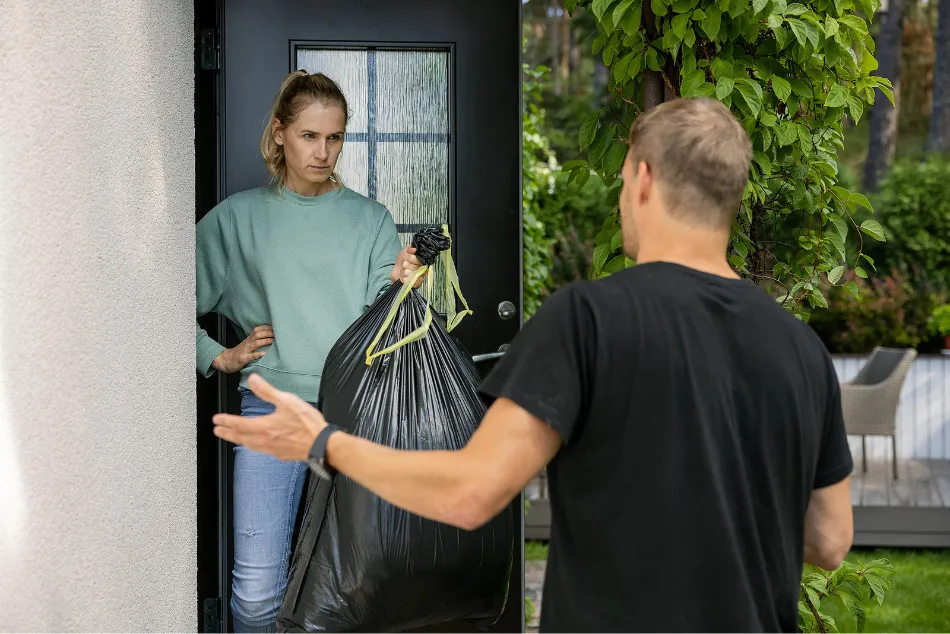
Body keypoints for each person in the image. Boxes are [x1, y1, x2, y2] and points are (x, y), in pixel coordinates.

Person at [211, 97, 855, 632]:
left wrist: (322, 441)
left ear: (643, 179)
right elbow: (829, 542)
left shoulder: (590, 320)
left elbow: (471, 493)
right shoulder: (799, 347)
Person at [196, 70, 425, 632]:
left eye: (335, 138)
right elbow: (151, 305)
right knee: (253, 597)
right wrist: (216, 355)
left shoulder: (368, 220)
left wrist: (402, 286)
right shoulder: (237, 219)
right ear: (279, 134)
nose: (324, 152)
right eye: (309, 136)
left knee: (355, 592)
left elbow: (387, 325)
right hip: (272, 410)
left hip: (357, 415)